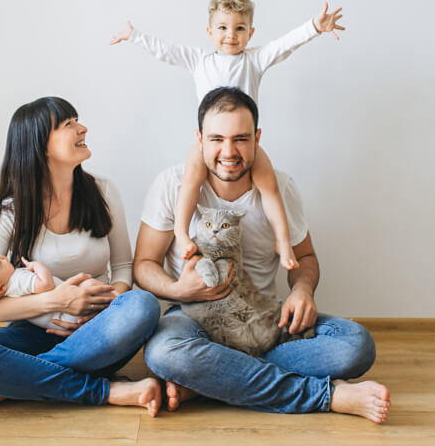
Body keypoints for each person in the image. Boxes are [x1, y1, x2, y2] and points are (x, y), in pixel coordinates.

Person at [133, 87, 391, 423]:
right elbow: (144, 265)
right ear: (199, 139)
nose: (229, 151)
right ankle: (327, 395)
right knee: (165, 353)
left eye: (240, 138)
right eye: (217, 139)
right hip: (192, 317)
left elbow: (306, 258)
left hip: (261, 320)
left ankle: (211, 380)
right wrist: (179, 290)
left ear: (257, 138)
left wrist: (302, 291)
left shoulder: (280, 187)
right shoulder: (171, 183)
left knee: (355, 345)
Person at [0, 96, 162, 418]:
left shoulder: (104, 191)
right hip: (30, 330)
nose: (82, 128)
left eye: (77, 120)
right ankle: (103, 390)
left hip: (96, 331)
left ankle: (6, 387)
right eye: (69, 124)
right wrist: (57, 301)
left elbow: (124, 267)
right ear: (40, 145)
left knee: (143, 305)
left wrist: (101, 309)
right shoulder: (9, 213)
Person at [111, 0, 344, 270]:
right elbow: (167, 51)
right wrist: (135, 35)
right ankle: (182, 233)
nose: (230, 35)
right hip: (209, 145)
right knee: (190, 180)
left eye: (239, 28)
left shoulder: (254, 60)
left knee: (269, 186)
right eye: (222, 27)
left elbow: (284, 45)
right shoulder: (199, 60)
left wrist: (315, 27)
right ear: (210, 31)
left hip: (245, 142)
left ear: (250, 32)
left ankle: (283, 241)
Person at [0, 254, 81, 330]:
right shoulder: (17, 280)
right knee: (90, 285)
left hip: (64, 322)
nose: (1, 256)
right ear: (0, 289)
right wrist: (37, 265)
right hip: (72, 314)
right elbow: (46, 285)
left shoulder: (4, 295)